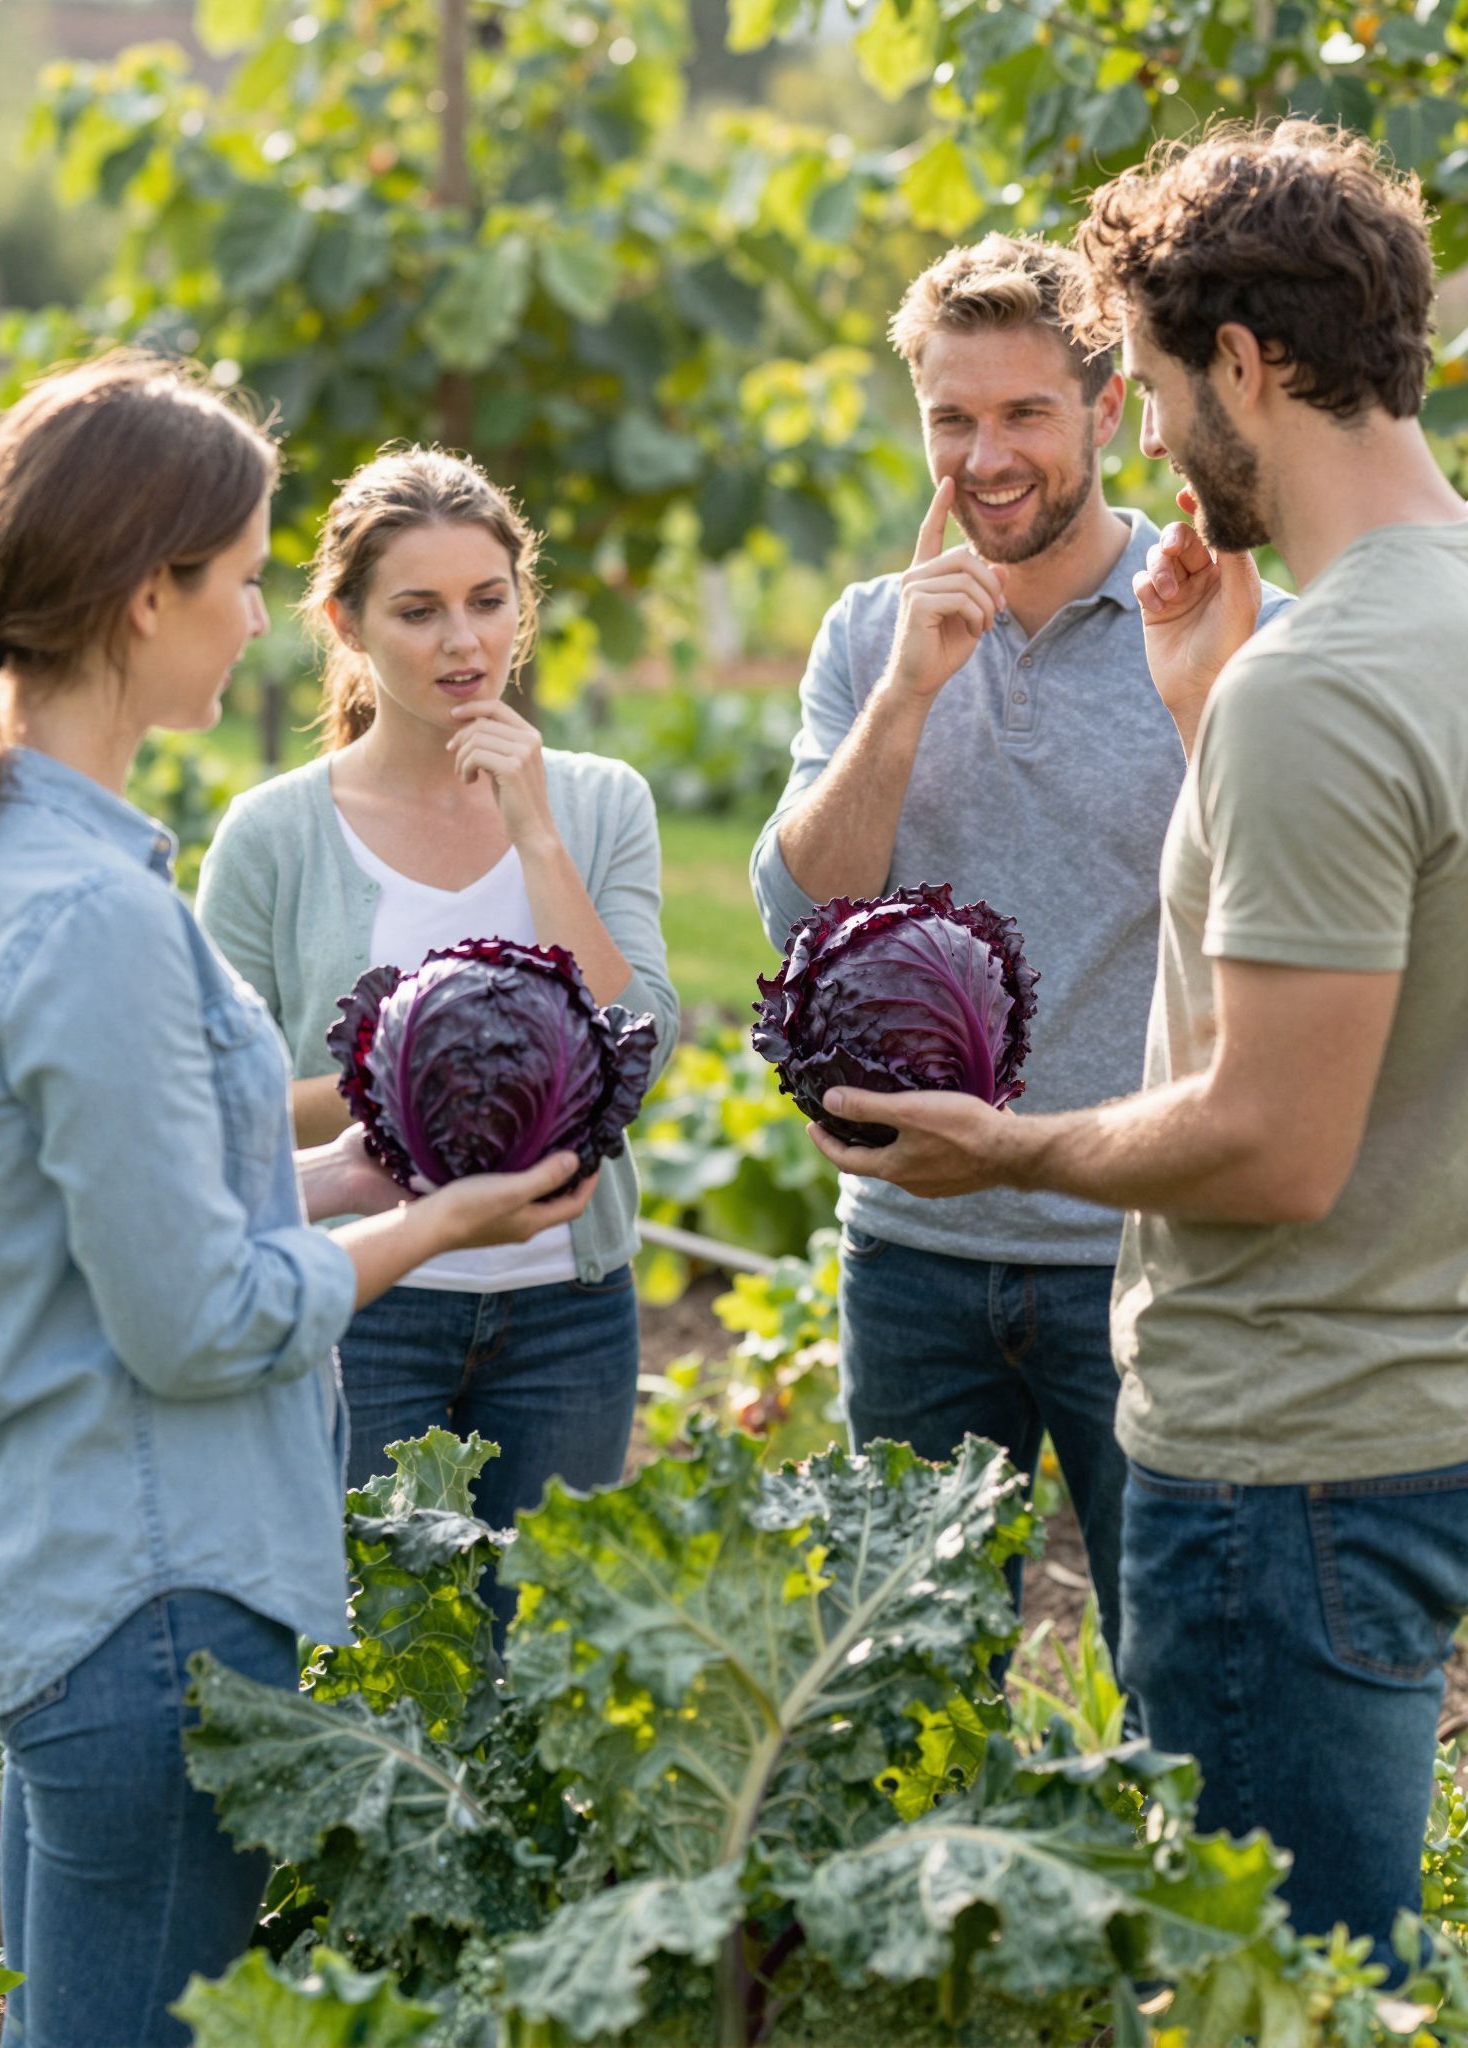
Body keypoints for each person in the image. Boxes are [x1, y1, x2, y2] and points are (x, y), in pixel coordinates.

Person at [808, 120, 1468, 1971]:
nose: (1162, 438)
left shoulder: (1316, 684)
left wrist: (1001, 1143)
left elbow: (1272, 1145)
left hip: (1280, 1451)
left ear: (1242, 367)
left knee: (1281, 1989)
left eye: (1159, 388)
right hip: (1425, 1399)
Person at [0, 354, 600, 2048]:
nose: (252, 622)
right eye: (237, 582)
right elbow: (199, 1316)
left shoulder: (20, 857)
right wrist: (431, 1230)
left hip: (89, 1565)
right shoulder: (85, 910)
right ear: (149, 594)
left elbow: (137, 1212)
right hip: (146, 1593)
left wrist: (360, 1165)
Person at [750, 232, 1284, 1669]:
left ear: (1110, 411)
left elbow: (1277, 918)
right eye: (952, 419)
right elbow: (800, 914)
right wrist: (907, 696)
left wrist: (1203, 701)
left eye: (1024, 414)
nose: (986, 457)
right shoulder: (874, 632)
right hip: (914, 1252)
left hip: (1141, 1253)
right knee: (904, 1687)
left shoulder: (1235, 625)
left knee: (1175, 1674)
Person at [198, 448, 678, 1529]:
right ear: (345, 621)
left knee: (547, 1655)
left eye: (488, 601)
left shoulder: (601, 803)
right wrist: (421, 1063)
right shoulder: (272, 835)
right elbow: (215, 1109)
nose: (464, 642)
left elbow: (641, 1046)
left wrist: (535, 835)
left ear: (523, 602)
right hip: (362, 1303)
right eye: (417, 610)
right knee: (365, 1648)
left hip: (570, 1306)